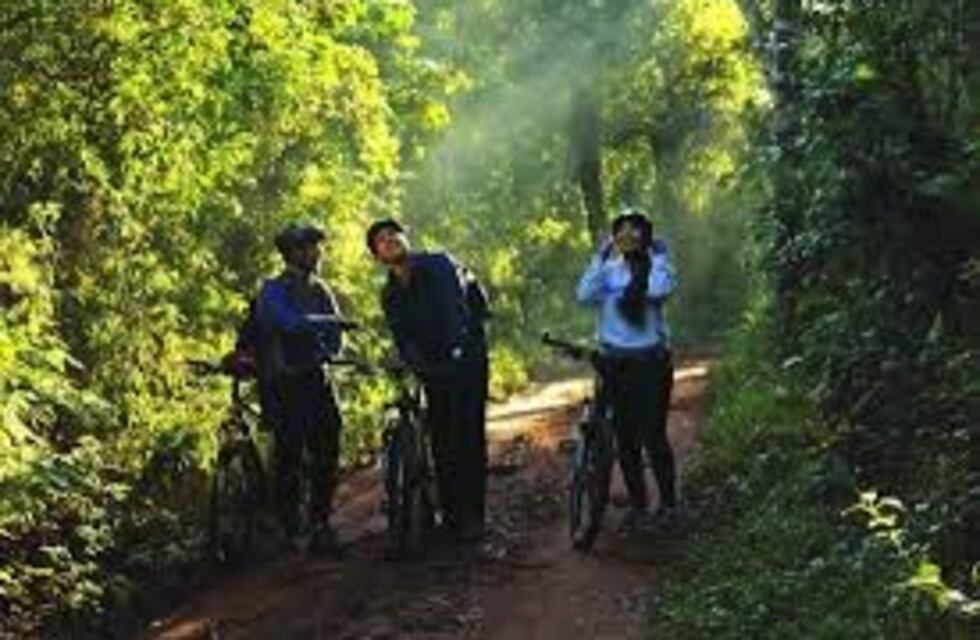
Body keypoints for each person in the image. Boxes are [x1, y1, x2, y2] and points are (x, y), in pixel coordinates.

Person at [366, 218, 490, 543]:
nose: (389, 240)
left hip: (467, 359)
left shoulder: (438, 265)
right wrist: (416, 365)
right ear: (376, 255)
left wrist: (456, 352)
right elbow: (402, 336)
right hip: (433, 368)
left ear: (407, 239)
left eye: (394, 234)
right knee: (441, 438)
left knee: (466, 436)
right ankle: (450, 516)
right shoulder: (390, 293)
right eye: (381, 239)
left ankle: (473, 516)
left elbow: (456, 312)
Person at [575, 207, 680, 535]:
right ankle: (638, 506)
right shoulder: (608, 271)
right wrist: (600, 256)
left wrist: (656, 258)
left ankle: (668, 505)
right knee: (625, 439)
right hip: (614, 363)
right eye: (621, 229)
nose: (628, 234)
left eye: (635, 229)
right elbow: (584, 295)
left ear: (646, 235)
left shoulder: (657, 269)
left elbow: (658, 291)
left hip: (650, 363)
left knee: (654, 436)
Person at [252, 222, 347, 555]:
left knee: (329, 444)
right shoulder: (273, 290)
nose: (317, 253)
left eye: (316, 247)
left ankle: (320, 522)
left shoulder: (321, 290)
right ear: (293, 254)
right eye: (309, 248)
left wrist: (330, 348)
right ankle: (289, 529)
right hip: (284, 380)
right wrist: (322, 325)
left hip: (315, 377)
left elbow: (338, 336)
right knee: (289, 454)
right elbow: (285, 322)